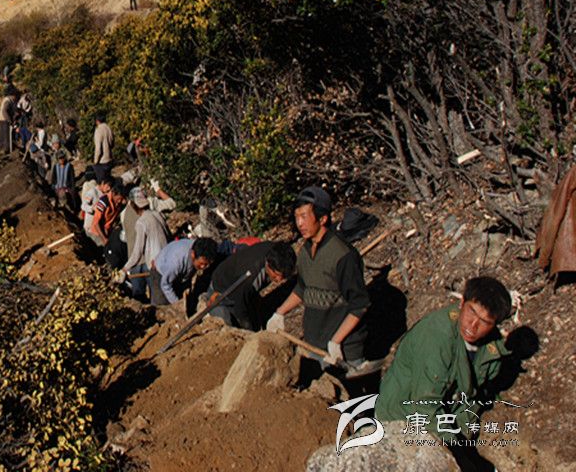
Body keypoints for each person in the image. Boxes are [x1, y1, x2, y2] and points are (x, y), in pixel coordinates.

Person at [375, 276, 513, 443]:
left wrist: (462, 436)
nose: (473, 325)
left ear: (495, 325)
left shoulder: (491, 351)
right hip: (400, 418)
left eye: (484, 322)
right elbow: (425, 405)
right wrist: (452, 445)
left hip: (442, 414)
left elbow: (472, 399)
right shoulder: (437, 337)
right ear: (462, 302)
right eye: (472, 312)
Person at [266, 187, 369, 368]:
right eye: (296, 217)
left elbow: (360, 305)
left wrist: (336, 342)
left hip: (343, 350)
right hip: (315, 344)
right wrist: (279, 313)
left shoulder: (343, 256)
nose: (299, 223)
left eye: (304, 216)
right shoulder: (305, 251)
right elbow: (302, 288)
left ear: (322, 219)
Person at [206, 241, 296, 330]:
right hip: (223, 292)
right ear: (268, 265)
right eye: (276, 275)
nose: (279, 280)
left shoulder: (277, 252)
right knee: (226, 326)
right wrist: (250, 330)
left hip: (243, 288)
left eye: (284, 276)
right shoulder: (249, 277)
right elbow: (240, 309)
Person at [118, 185, 173, 302]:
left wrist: (124, 270)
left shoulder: (141, 222)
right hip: (167, 260)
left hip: (155, 265)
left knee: (157, 300)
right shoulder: (158, 215)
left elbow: (137, 252)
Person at [150, 237, 218, 307]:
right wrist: (178, 304)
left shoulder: (200, 248)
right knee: (161, 306)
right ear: (193, 255)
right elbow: (165, 284)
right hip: (161, 275)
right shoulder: (176, 262)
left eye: (207, 264)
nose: (204, 267)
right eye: (201, 263)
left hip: (180, 275)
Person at [88, 175, 126, 250]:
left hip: (107, 231)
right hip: (98, 233)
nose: (119, 201)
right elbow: (96, 223)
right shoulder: (103, 202)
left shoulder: (119, 203)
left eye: (121, 199)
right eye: (118, 199)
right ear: (114, 194)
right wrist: (104, 239)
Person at [92, 112, 114, 181]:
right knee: (108, 181)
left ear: (97, 120)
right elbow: (112, 143)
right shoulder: (108, 128)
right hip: (109, 158)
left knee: (102, 182)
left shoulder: (98, 130)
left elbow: (98, 149)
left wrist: (95, 161)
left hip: (101, 161)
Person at [0, 87, 17, 153]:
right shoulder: (8, 101)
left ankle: (0, 149)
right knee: (5, 135)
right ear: (12, 95)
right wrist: (9, 120)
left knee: (2, 135)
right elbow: (4, 111)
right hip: (3, 120)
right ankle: (5, 150)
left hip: (2, 119)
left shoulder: (8, 99)